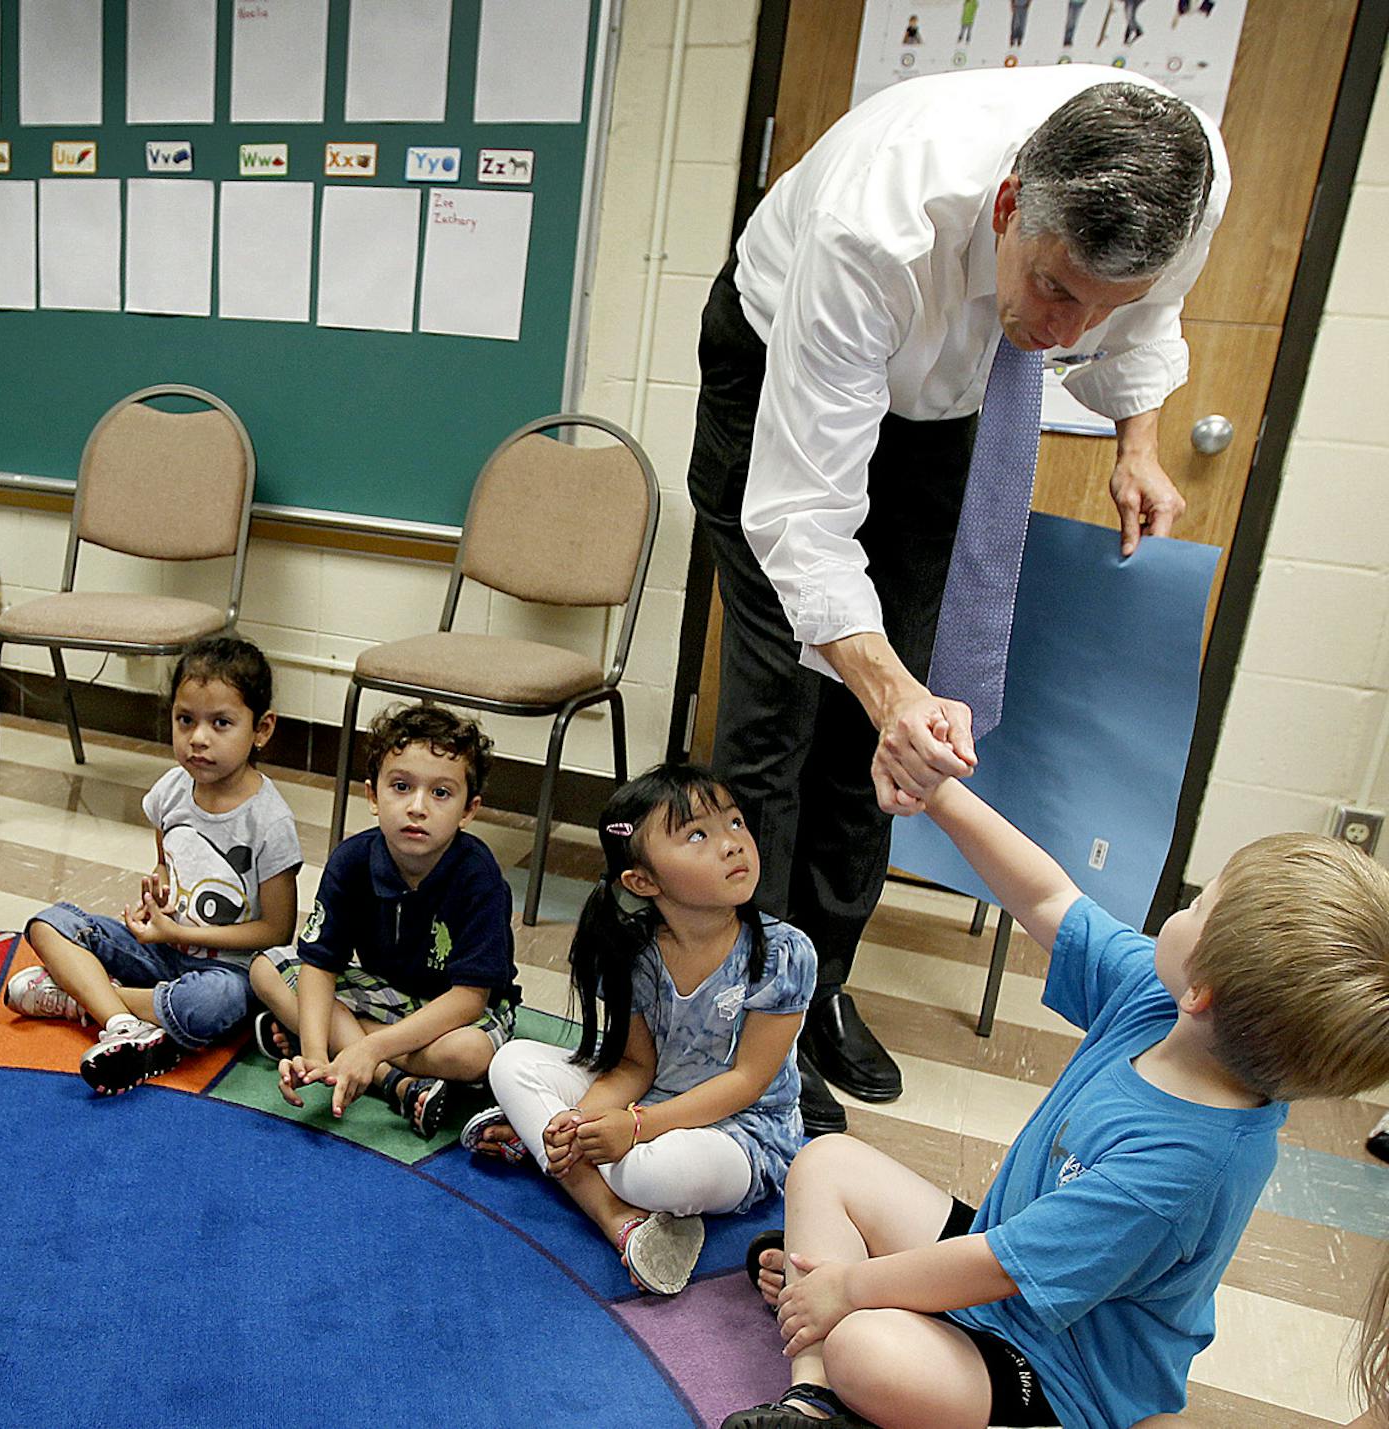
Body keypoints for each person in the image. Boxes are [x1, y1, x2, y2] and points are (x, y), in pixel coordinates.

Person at [687, 70, 1227, 1134]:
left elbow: (1146, 312)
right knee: (779, 723)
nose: (1071, 331)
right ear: (1012, 201)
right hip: (780, 370)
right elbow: (803, 518)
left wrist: (1137, 440)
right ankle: (733, 1017)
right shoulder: (876, 224)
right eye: (1060, 290)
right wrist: (881, 684)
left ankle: (815, 987)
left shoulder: (1187, 173)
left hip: (945, 396)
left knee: (881, 736)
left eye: (1101, 309)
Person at [723, 776, 1389, 1429]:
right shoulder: (1163, 1004)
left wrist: (850, 1286)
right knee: (829, 1160)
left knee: (864, 1348)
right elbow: (1045, 896)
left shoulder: (1183, 1165)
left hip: (1057, 1369)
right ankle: (810, 1400)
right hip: (1000, 1264)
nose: (1174, 912)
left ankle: (842, 1329)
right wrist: (940, 794)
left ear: (1204, 991)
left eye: (1195, 906)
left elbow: (1000, 1265)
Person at [464, 764, 815, 1297]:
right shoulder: (634, 952)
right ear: (642, 881)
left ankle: (549, 1156)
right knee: (510, 1063)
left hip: (743, 1131)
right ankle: (616, 1218)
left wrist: (633, 1127)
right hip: (647, 1103)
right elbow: (634, 1066)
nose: (732, 845)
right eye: (698, 834)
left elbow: (748, 1083)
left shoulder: (783, 953)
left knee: (652, 1176)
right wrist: (585, 1123)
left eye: (735, 823)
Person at [5, 635, 302, 1095]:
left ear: (261, 729)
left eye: (221, 723)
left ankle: (83, 996)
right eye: (186, 720)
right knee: (49, 923)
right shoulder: (171, 790)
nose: (198, 739)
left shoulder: (269, 821)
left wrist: (182, 933)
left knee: (213, 1004)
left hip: (228, 970)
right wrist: (158, 895)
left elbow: (277, 931)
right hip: (161, 952)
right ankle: (124, 1022)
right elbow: (167, 864)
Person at [249, 702, 517, 1138]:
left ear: (469, 810)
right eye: (400, 786)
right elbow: (321, 963)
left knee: (471, 1055)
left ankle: (352, 1052)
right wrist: (314, 1054)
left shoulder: (478, 874)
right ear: (373, 796)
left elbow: (469, 999)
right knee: (265, 968)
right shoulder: (352, 860)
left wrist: (369, 1046)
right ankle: (396, 1083)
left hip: (454, 1012)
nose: (417, 807)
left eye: (441, 793)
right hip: (380, 993)